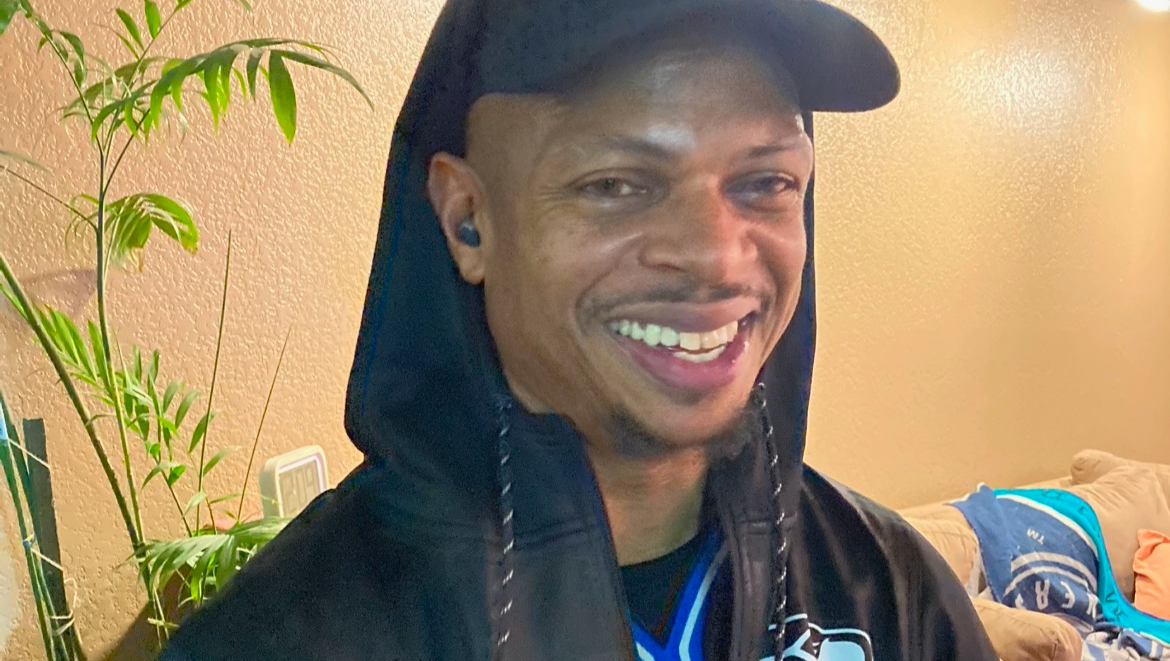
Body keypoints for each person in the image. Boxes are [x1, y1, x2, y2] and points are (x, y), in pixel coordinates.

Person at [161, 0, 999, 659]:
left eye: (765, 181)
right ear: (468, 219)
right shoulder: (287, 637)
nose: (715, 255)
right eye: (616, 184)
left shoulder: (893, 595)